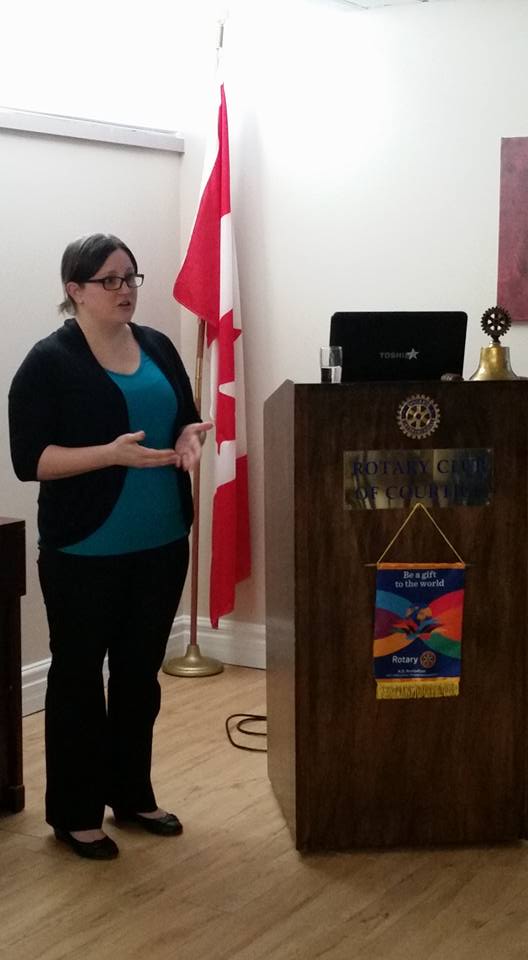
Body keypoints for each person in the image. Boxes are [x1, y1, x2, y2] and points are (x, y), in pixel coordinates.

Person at [8, 233, 212, 860]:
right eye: (110, 280)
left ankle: (132, 795)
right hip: (84, 550)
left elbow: (186, 418)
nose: (125, 290)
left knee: (137, 677)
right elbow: (30, 460)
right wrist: (109, 455)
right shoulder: (48, 362)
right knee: (77, 679)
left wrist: (190, 440)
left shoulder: (158, 345)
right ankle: (75, 815)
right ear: (75, 290)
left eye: (131, 278)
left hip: (162, 541)